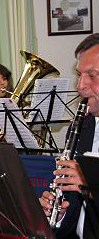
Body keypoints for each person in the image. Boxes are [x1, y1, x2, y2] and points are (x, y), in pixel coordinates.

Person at [39, 33, 99, 239]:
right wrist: (60, 214)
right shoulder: (82, 127)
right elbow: (76, 208)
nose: (80, 86)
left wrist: (91, 186)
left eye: (92, 75)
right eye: (79, 74)